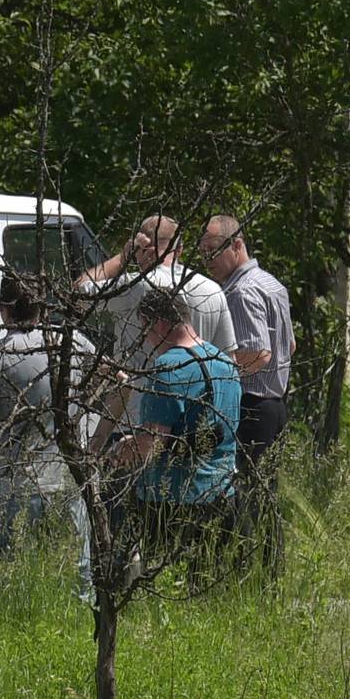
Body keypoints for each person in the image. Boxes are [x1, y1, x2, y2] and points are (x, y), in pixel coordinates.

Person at [0, 272, 96, 574]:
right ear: (42, 308)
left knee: (12, 579)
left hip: (15, 485)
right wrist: (96, 437)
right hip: (67, 479)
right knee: (72, 577)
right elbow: (120, 381)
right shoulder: (71, 342)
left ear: (3, 308)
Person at [114, 283, 242, 578]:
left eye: (146, 330)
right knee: (210, 590)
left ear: (159, 323)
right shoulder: (225, 362)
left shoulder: (167, 368)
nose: (147, 340)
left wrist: (122, 448)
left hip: (173, 503)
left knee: (165, 591)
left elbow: (154, 444)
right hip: (222, 495)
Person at [199, 214, 295, 565]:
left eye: (212, 251)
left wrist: (216, 374)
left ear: (236, 244)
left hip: (253, 405)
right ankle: (268, 568)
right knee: (265, 494)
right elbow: (290, 346)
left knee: (242, 495)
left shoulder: (240, 291)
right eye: (203, 252)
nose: (207, 260)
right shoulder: (271, 284)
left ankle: (243, 569)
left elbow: (258, 352)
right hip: (276, 403)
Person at [77, 212, 237, 408]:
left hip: (140, 413)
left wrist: (123, 257)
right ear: (179, 249)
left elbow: (79, 294)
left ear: (142, 247)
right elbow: (228, 362)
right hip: (199, 412)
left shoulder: (137, 286)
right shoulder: (212, 290)